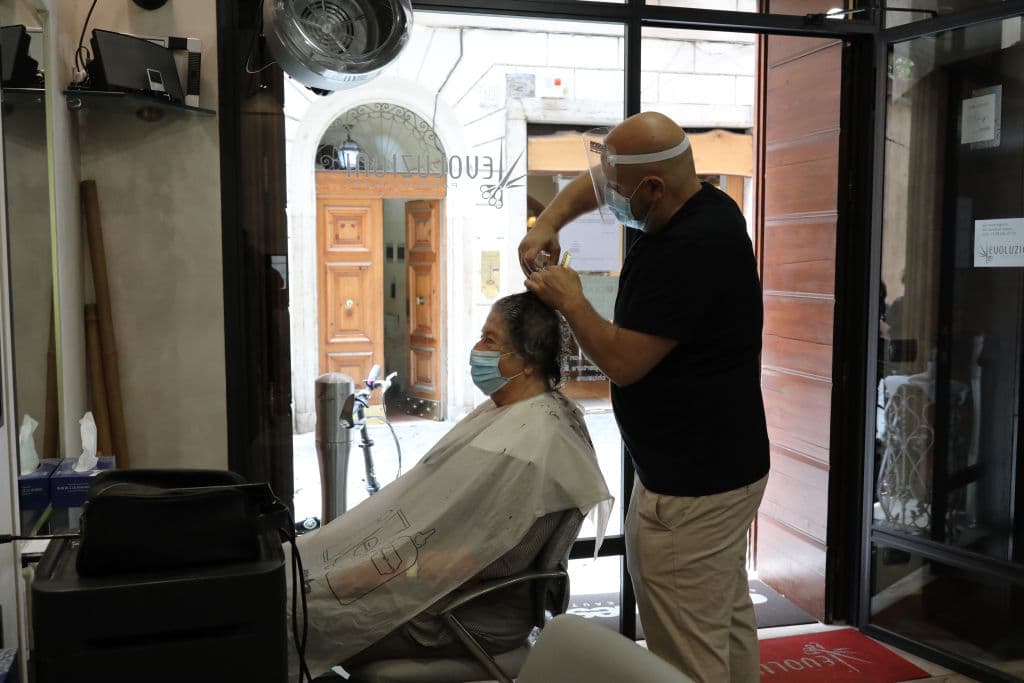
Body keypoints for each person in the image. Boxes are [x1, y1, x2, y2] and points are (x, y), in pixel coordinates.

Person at [519, 111, 769, 683]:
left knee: (688, 657)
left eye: (618, 187)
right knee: (723, 619)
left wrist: (571, 300)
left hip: (692, 490)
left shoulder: (693, 248)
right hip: (727, 466)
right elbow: (601, 181)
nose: (608, 196)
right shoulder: (701, 202)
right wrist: (547, 222)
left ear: (653, 188)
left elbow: (624, 364)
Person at [290, 292, 612, 680]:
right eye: (481, 336)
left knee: (298, 620)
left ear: (528, 361)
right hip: (439, 586)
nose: (477, 350)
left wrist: (368, 575)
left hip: (468, 611)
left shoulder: (540, 446)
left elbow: (488, 559)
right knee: (294, 591)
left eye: (491, 340)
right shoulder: (510, 414)